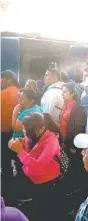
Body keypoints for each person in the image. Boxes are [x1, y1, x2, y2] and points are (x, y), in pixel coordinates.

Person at [8, 112, 64, 221]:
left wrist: (19, 151)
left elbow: (39, 166)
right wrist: (23, 144)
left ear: (40, 128)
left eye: (26, 130)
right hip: (34, 177)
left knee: (44, 207)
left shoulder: (51, 141)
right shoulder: (33, 132)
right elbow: (30, 150)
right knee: (37, 201)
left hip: (46, 179)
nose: (24, 132)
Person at [1, 70, 20, 204]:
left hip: (5, 131)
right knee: (18, 158)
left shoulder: (3, 94)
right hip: (18, 132)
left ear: (7, 79)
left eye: (1, 79)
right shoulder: (20, 92)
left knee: (6, 160)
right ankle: (19, 183)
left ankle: (6, 188)